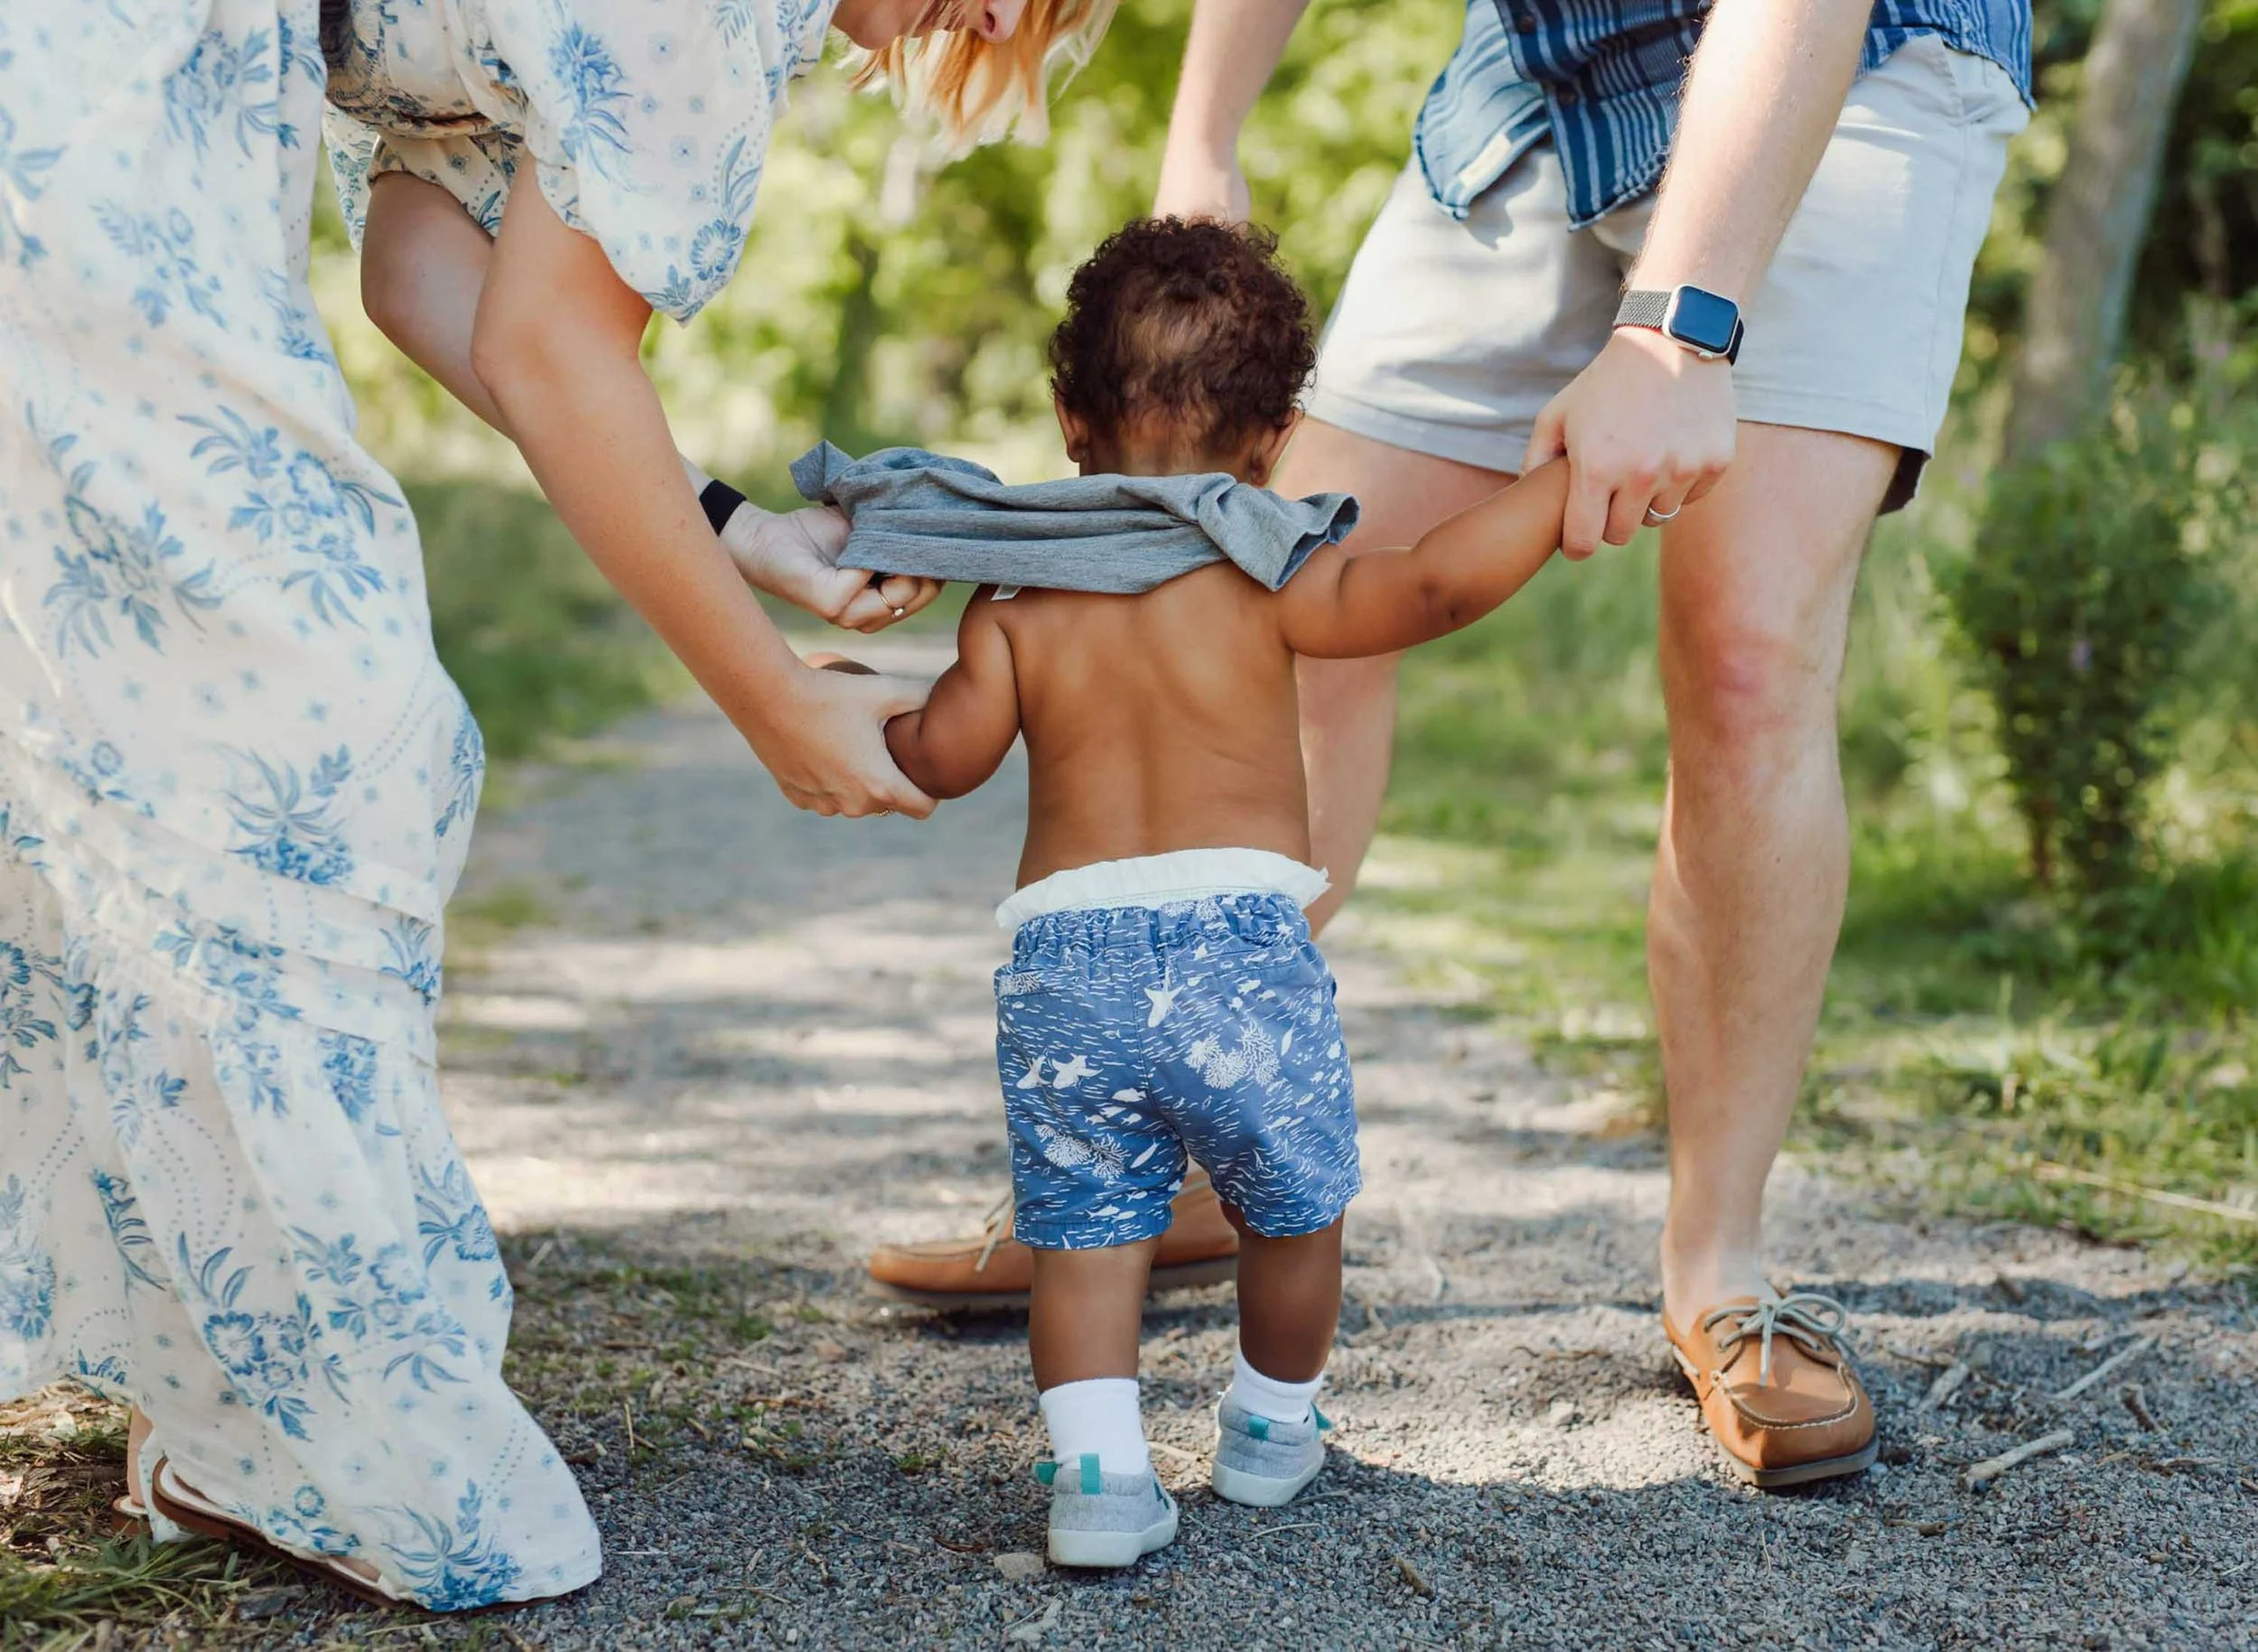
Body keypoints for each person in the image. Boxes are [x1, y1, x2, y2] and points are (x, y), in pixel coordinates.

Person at [0, 0, 1110, 1610]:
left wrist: (738, 532)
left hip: (184, 105)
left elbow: (426, 267)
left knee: (149, 728)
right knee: (327, 745)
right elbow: (547, 344)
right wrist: (770, 699)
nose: (1003, 16)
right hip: (97, 83)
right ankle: (334, 1429)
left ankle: (234, 1405)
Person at [1137, 0, 2033, 1489]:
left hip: (1852, 63)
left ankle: (1722, 1269)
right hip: (1540, 81)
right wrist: (1202, 139)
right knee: (1289, 589)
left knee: (1747, 661)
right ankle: (1165, 1162)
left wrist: (1677, 330)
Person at [840, 217, 1567, 1567]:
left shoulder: (1016, 599)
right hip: (1241, 959)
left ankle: (1099, 1483)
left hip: (1068, 968)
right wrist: (1562, 483)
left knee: (1085, 1236)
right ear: (1277, 441)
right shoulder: (1272, 570)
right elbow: (1438, 586)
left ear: (1070, 422)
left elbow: (942, 758)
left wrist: (852, 710)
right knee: (1292, 1210)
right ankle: (1272, 1431)